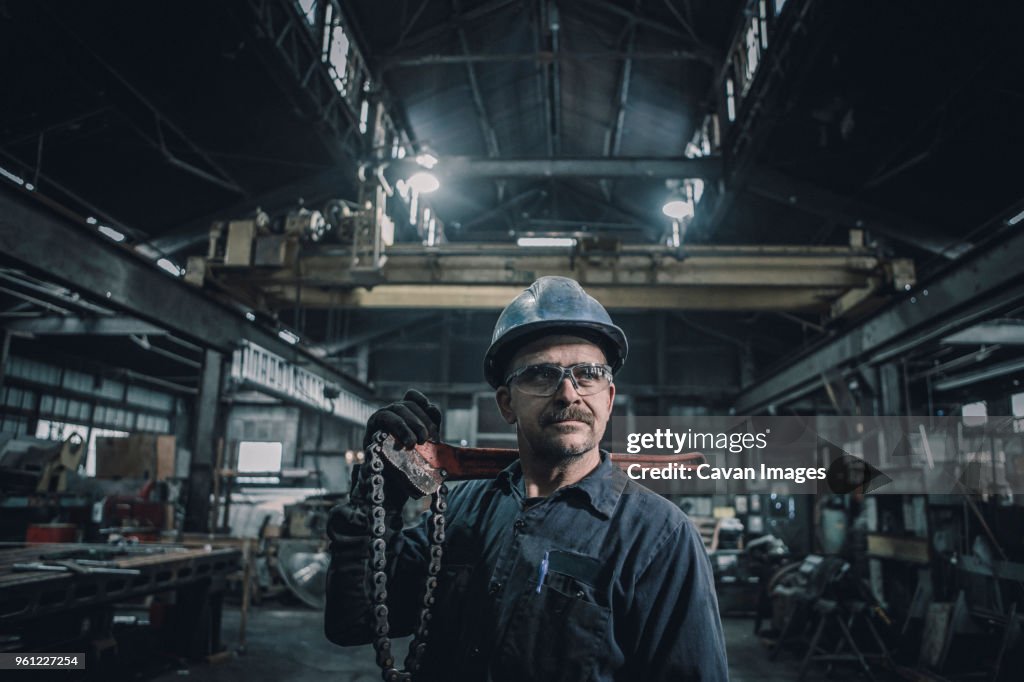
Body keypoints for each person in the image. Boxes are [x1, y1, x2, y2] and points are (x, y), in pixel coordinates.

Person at [325, 276, 728, 681]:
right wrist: (376, 504)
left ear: (608, 398)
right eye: (540, 374)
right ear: (506, 403)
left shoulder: (660, 537)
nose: (568, 394)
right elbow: (354, 621)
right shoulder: (462, 508)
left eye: (587, 374)